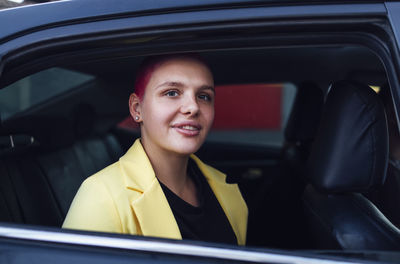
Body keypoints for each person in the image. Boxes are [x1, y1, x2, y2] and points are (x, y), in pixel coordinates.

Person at [62, 54, 248, 245]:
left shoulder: (226, 190)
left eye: (203, 96)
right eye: (172, 93)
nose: (193, 107)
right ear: (137, 109)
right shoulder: (101, 197)